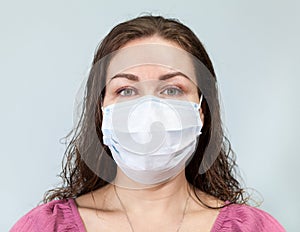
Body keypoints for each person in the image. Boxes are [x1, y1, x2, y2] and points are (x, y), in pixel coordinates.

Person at [11, 15, 285, 232]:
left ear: (201, 111)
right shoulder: (45, 227)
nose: (149, 111)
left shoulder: (254, 228)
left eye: (172, 90)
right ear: (102, 110)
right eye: (126, 90)